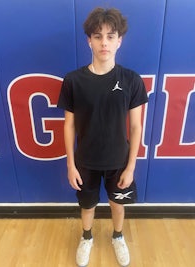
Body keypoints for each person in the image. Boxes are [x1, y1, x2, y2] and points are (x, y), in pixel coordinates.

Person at [58, 7, 148, 267]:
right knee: (87, 205)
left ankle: (117, 236)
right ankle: (86, 237)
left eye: (111, 36)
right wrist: (70, 164)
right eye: (98, 36)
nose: (104, 42)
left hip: (118, 161)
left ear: (119, 41)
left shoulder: (131, 80)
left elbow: (135, 128)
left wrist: (131, 167)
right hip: (85, 161)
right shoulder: (74, 80)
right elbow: (69, 126)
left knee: (117, 205)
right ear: (89, 41)